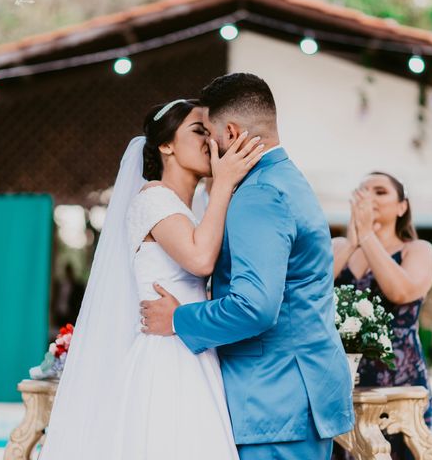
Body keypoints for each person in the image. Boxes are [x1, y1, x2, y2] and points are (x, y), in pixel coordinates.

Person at [141, 73, 354, 460]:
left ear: (233, 132)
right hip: (293, 392)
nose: (208, 144)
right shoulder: (286, 178)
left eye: (208, 132)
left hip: (273, 399)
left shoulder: (258, 195)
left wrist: (178, 319)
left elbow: (254, 306)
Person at [38, 97, 263, 459]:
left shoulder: (194, 209)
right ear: (166, 145)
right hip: (166, 357)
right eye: (198, 130)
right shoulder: (153, 199)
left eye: (211, 132)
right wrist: (224, 182)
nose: (210, 140)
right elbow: (201, 259)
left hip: (194, 344)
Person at [331, 172, 432, 460]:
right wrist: (353, 242)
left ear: (402, 207)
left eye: (379, 191)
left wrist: (368, 236)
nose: (369, 197)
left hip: (399, 383)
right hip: (342, 382)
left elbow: (401, 292)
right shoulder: (337, 247)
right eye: (362, 190)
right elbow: (311, 293)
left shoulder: (417, 250)